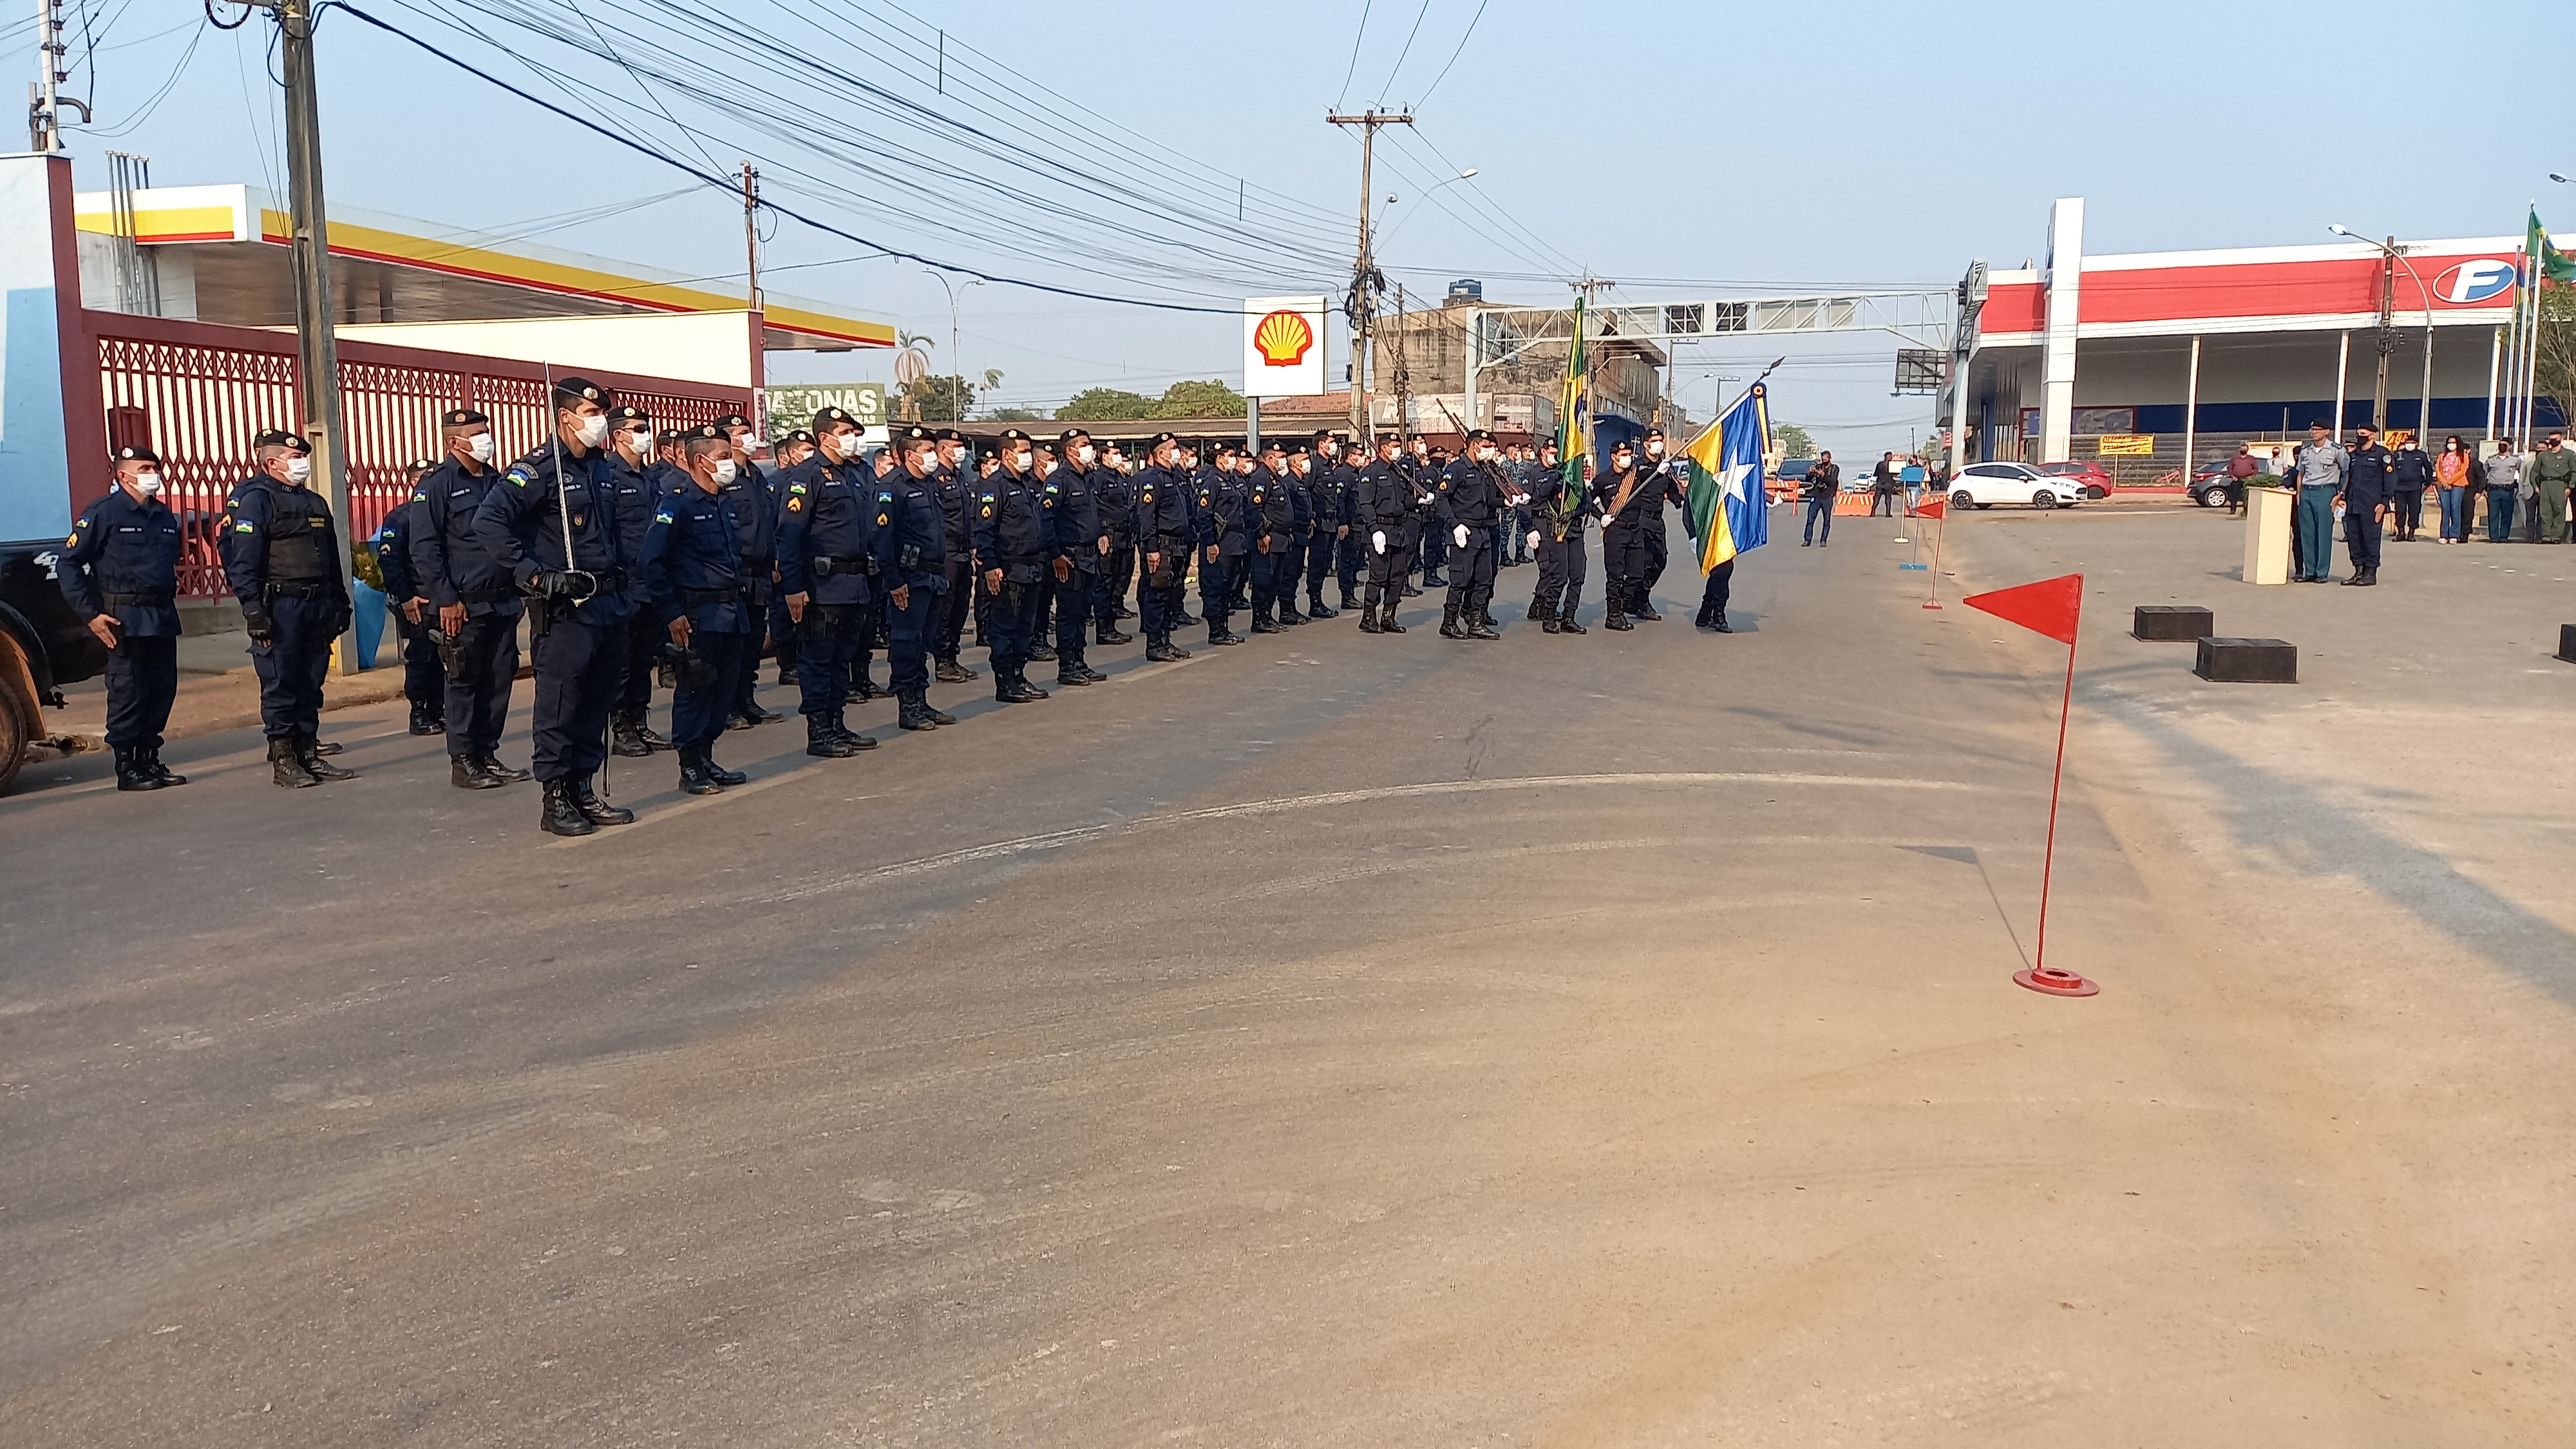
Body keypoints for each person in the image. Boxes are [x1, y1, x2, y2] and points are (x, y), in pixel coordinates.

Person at [471, 376, 637, 835]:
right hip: (566, 608)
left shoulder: (603, 468)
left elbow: (613, 537)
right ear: (565, 417)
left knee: (597, 703)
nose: (600, 423)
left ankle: (583, 788)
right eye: (591, 415)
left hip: (607, 602)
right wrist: (535, 575)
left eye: (602, 414)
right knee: (560, 705)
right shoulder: (538, 469)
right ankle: (556, 797)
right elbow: (489, 523)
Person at [222, 429, 357, 788]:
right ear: (271, 462)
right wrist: (253, 611)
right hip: (281, 606)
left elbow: (331, 557)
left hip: (317, 603)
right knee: (282, 682)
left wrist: (340, 601)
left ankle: (309, 753)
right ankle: (284, 759)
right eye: (294, 458)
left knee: (311, 682)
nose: (302, 464)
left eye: (301, 458)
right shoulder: (257, 501)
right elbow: (242, 563)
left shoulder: (314, 503)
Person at [408, 408, 528, 790]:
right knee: (463, 680)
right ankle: (463, 761)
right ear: (453, 441)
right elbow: (425, 547)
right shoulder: (437, 485)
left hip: (504, 600)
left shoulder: (498, 481)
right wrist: (445, 598)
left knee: (499, 679)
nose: (485, 440)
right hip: (464, 603)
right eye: (476, 434)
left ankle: (486, 753)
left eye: (485, 432)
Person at [58, 445, 187, 790]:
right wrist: (91, 615)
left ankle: (149, 759)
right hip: (123, 618)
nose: (152, 475)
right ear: (123, 475)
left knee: (161, 690)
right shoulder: (104, 513)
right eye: (144, 469)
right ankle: (127, 767)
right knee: (129, 690)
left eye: (154, 468)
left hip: (160, 614)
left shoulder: (163, 516)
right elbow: (68, 564)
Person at [639, 424, 753, 794]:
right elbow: (651, 563)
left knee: (722, 691)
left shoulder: (723, 500)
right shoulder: (677, 503)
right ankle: (689, 766)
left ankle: (706, 758)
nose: (730, 462)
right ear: (701, 461)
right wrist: (672, 613)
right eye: (722, 457)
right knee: (694, 692)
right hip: (696, 615)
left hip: (731, 612)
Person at [773, 405, 891, 756]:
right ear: (824, 437)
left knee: (843, 658)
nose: (852, 439)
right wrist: (794, 587)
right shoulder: (805, 477)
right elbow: (789, 536)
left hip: (854, 584)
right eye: (844, 433)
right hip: (821, 587)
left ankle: (837, 723)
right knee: (817, 660)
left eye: (853, 433)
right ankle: (819, 731)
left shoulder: (853, 475)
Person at [600, 404, 676, 759]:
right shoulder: (608, 475)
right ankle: (621, 727)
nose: (645, 434)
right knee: (623, 660)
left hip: (651, 583)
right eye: (638, 428)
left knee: (645, 658)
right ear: (619, 436)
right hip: (624, 583)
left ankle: (639, 719)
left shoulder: (649, 478)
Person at [880, 425, 957, 730]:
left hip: (932, 574)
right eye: (927, 450)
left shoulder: (929, 484)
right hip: (909, 577)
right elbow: (883, 537)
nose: (933, 456)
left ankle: (921, 700)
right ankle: (907, 705)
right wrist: (894, 580)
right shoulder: (893, 486)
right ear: (909, 454)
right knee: (906, 642)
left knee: (923, 642)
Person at [715, 413, 786, 730]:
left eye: (748, 431)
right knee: (731, 646)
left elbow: (769, 524)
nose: (749, 437)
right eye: (741, 433)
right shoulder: (724, 478)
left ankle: (746, 699)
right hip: (735, 572)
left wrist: (775, 560)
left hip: (761, 573)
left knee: (753, 643)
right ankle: (727, 706)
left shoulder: (757, 475)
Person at [974, 427, 1056, 699]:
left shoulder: (1027, 484)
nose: (1028, 457)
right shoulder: (994, 486)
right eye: (1022, 452)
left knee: (1025, 627)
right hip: (1008, 567)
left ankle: (1019, 676)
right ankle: (1005, 682)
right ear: (1007, 454)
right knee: (1005, 627)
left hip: (1032, 566)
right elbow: (984, 529)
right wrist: (990, 565)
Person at [372, 460, 446, 737]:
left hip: (442, 598)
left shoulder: (443, 513)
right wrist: (405, 597)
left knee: (446, 657)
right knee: (421, 657)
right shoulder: (401, 517)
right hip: (416, 600)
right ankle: (420, 711)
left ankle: (439, 709)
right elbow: (390, 561)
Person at [1045, 428, 1112, 685]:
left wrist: (1100, 534)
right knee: (1068, 614)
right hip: (1069, 557)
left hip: (1090, 556)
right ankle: (1067, 667)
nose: (1090, 448)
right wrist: (1056, 555)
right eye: (1084, 444)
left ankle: (1079, 660)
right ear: (1071, 450)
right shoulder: (1059, 480)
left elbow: (1092, 515)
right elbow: (1046, 519)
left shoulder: (1088, 478)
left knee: (1083, 612)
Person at [1434, 428, 1510, 639]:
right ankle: (1448, 622)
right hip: (1464, 531)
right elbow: (1442, 499)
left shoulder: (1484, 469)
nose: (1490, 451)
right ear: (1474, 445)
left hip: (1483, 530)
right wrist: (1454, 524)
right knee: (1461, 579)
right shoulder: (1457, 469)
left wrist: (1504, 502)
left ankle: (1476, 622)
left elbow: (1486, 501)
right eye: (1486, 447)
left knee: (1484, 579)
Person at [1130, 431, 1197, 661]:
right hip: (1162, 545)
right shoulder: (1152, 478)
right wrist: (1151, 548)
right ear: (1160, 453)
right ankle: (1154, 643)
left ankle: (1166, 640)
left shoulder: (1173, 477)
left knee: (1170, 594)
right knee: (1157, 594)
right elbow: (1147, 516)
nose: (1177, 452)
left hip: (1177, 545)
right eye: (1173, 448)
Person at [926, 427, 980, 683]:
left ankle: (952, 657)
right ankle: (942, 661)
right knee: (945, 610)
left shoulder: (959, 477)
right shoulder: (935, 478)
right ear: (942, 449)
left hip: (962, 552)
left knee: (959, 608)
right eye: (954, 447)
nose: (960, 451)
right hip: (945, 551)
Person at [1526, 439, 1590, 634]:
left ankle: (1569, 616)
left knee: (1577, 575)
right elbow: (1536, 497)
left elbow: (1585, 502)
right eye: (1553, 453)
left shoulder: (1571, 476)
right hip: (1553, 529)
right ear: (1544, 452)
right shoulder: (1536, 473)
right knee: (1556, 574)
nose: (1557, 457)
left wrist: (1576, 512)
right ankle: (1549, 614)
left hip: (1574, 529)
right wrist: (1528, 528)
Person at [1354, 434, 1414, 634]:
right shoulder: (1370, 472)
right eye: (1394, 446)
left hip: (1398, 531)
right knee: (1378, 577)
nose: (1398, 449)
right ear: (1383, 448)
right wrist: (1374, 528)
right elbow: (1365, 504)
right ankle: (1368, 617)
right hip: (1380, 530)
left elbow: (1403, 499)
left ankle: (1388, 616)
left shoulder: (1397, 472)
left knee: (1398, 576)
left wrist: (1420, 502)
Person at [1595, 438, 1654, 630]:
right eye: (1623, 456)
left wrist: (1661, 468)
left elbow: (1651, 471)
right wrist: (1601, 516)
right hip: (1616, 531)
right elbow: (1588, 500)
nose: (1627, 459)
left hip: (1635, 530)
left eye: (1629, 455)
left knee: (1637, 574)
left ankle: (1621, 607)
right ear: (1614, 457)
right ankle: (1613, 616)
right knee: (1615, 576)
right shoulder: (1603, 479)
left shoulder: (1635, 475)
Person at [1193, 442, 1250, 647]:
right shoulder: (1212, 481)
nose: (1233, 459)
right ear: (1219, 458)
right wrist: (1210, 542)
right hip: (1219, 541)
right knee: (1215, 585)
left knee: (1228, 586)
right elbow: (1204, 514)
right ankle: (1215, 630)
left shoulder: (1231, 479)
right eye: (1230, 455)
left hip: (1235, 541)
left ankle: (1224, 627)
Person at [1245, 440, 1301, 634]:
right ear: (1270, 458)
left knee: (1275, 581)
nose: (1284, 461)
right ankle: (1259, 619)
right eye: (1281, 458)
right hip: (1267, 539)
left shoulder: (1275, 478)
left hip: (1281, 539)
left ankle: (1268, 615)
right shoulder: (1262, 478)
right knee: (1263, 580)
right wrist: (1261, 534)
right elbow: (1254, 509)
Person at [1303, 431, 1353, 618]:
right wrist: (1311, 517)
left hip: (1331, 521)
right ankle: (1314, 603)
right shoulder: (1314, 465)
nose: (1335, 446)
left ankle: (1319, 599)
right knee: (1317, 563)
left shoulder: (1330, 466)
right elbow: (1306, 491)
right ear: (1321, 444)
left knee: (1325, 564)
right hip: (1320, 522)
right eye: (1331, 442)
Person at [1093, 439, 1137, 641]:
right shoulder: (1099, 477)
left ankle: (1112, 620)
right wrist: (1101, 532)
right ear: (1104, 456)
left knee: (1121, 577)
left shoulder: (1119, 476)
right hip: (1109, 535)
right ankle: (1104, 628)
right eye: (1115, 453)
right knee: (1106, 582)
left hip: (1124, 534)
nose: (1119, 457)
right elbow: (1094, 507)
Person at [2337, 424, 2392, 585]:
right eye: (2358, 433)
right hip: (2354, 504)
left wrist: (2384, 502)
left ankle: (2370, 573)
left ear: (2373, 435)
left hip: (2372, 505)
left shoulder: (2383, 454)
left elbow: (2389, 480)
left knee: (2370, 539)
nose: (2360, 436)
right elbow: (2350, 479)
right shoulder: (2355, 455)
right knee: (2354, 540)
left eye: (2363, 434)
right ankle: (2358, 571)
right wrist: (2343, 497)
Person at [2291, 421, 2344, 582]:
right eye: (2312, 429)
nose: (2314, 432)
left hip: (2325, 491)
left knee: (2323, 533)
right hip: (2307, 491)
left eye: (2318, 430)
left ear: (2327, 431)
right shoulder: (2305, 451)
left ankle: (2322, 572)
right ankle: (2310, 571)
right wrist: (2299, 495)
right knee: (2307, 533)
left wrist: (2340, 494)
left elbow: (2347, 471)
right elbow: (2300, 473)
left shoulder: (2337, 450)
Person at [2387, 432, 2432, 543]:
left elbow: (2429, 469)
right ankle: (2401, 532)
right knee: (2400, 511)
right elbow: (2391, 470)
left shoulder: (2421, 455)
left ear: (2416, 444)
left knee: (2414, 510)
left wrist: (2427, 483)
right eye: (2407, 443)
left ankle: (2412, 532)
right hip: (2399, 487)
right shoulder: (2398, 455)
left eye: (2412, 443)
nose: (2409, 445)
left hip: (2415, 487)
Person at [2530, 432, 2575, 544]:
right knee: (2545, 511)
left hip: (2560, 484)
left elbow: (2574, 472)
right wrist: (2535, 486)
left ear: (2561, 439)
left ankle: (2556, 537)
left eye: (2556, 439)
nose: (2553, 441)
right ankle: (2546, 536)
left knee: (2559, 511)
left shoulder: (2569, 455)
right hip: (2545, 484)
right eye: (2551, 439)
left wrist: (2570, 487)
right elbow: (2534, 472)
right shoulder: (2543, 455)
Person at [2433, 435, 2476, 542]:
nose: (2451, 445)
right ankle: (2444, 534)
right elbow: (2438, 470)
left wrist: (2450, 482)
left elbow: (2463, 471)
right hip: (2443, 486)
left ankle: (2454, 535)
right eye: (2449, 442)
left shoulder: (2463, 456)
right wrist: (2444, 482)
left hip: (2458, 485)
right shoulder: (2442, 456)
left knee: (2455, 508)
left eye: (2453, 442)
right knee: (2445, 509)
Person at [2482, 440, 2522, 542]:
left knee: (2507, 515)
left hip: (2508, 490)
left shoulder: (2516, 460)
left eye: (2505, 445)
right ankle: (2494, 537)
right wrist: (2483, 489)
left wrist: (2519, 488)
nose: (2502, 447)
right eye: (2500, 445)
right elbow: (2484, 475)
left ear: (2510, 446)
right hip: (2493, 490)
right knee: (2493, 515)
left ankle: (2504, 536)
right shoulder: (2491, 460)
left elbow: (2522, 473)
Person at [1803, 451, 1840, 546]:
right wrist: (1811, 473)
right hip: (1816, 495)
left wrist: (1823, 475)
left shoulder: (1834, 468)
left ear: (1830, 458)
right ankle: (1807, 540)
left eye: (1826, 460)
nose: (1824, 461)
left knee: (1826, 520)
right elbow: (1808, 479)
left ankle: (1823, 540)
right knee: (1810, 519)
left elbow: (1832, 482)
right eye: (1823, 460)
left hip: (1827, 496)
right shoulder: (1818, 467)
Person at [2225, 443, 2260, 517]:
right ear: (2239, 450)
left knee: (2246, 495)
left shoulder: (2251, 458)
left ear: (2247, 450)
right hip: (2236, 479)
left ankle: (2246, 511)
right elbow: (2230, 468)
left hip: (2247, 479)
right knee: (2234, 495)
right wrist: (2232, 476)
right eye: (2242, 449)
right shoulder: (2234, 458)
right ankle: (2233, 510)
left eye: (2245, 449)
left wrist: (2252, 476)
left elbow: (2256, 468)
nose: (2243, 450)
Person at [1871, 451, 1900, 516]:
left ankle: (1872, 513)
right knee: (1888, 498)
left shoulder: (1880, 464)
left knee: (1877, 498)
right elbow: (1896, 473)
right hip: (1889, 483)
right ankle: (1888, 513)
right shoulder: (1892, 465)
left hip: (1880, 483)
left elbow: (1875, 473)